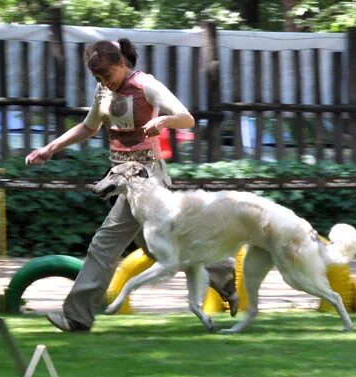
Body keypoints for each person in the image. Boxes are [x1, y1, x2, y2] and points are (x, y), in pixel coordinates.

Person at [25, 38, 238, 332]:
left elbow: (186, 119)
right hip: (122, 178)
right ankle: (222, 270)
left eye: (107, 75)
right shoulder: (103, 91)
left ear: (122, 64)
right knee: (156, 249)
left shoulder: (147, 85)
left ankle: (77, 316)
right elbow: (89, 127)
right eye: (98, 78)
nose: (104, 83)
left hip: (145, 178)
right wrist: (50, 148)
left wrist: (162, 122)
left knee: (104, 244)